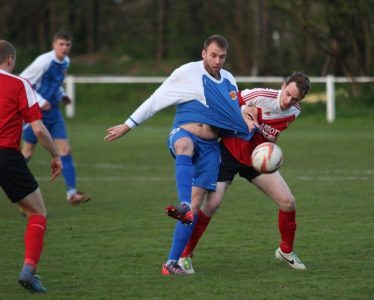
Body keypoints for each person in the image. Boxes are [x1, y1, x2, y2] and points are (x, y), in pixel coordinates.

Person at [104, 35, 257, 275]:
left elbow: (233, 110)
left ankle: (171, 263)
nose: (217, 61)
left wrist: (245, 115)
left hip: (210, 148)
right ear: (203, 53)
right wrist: (128, 125)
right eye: (213, 55)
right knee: (185, 146)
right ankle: (183, 203)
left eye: (222, 57)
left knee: (196, 208)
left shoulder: (228, 79)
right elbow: (156, 99)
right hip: (184, 132)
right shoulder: (186, 73)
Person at [178, 71, 311, 274]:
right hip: (229, 153)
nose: (288, 101)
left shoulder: (294, 112)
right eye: (287, 94)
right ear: (283, 85)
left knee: (288, 201)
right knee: (212, 204)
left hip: (257, 161)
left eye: (295, 99)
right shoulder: (259, 95)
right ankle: (185, 255)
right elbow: (228, 101)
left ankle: (286, 250)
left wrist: (272, 154)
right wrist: (243, 110)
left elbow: (272, 132)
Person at [0, 40, 62, 292]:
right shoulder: (18, 84)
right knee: (37, 213)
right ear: (11, 59)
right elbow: (38, 128)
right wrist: (55, 155)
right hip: (7, 157)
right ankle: (28, 270)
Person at [21, 31, 90, 205]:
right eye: (61, 44)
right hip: (36, 113)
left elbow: (54, 83)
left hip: (53, 113)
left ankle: (72, 193)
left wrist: (62, 95)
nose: (64, 48)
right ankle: (13, 184)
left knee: (64, 150)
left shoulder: (65, 61)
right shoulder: (43, 61)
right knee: (27, 152)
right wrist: (41, 101)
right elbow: (22, 82)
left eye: (67, 45)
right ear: (54, 45)